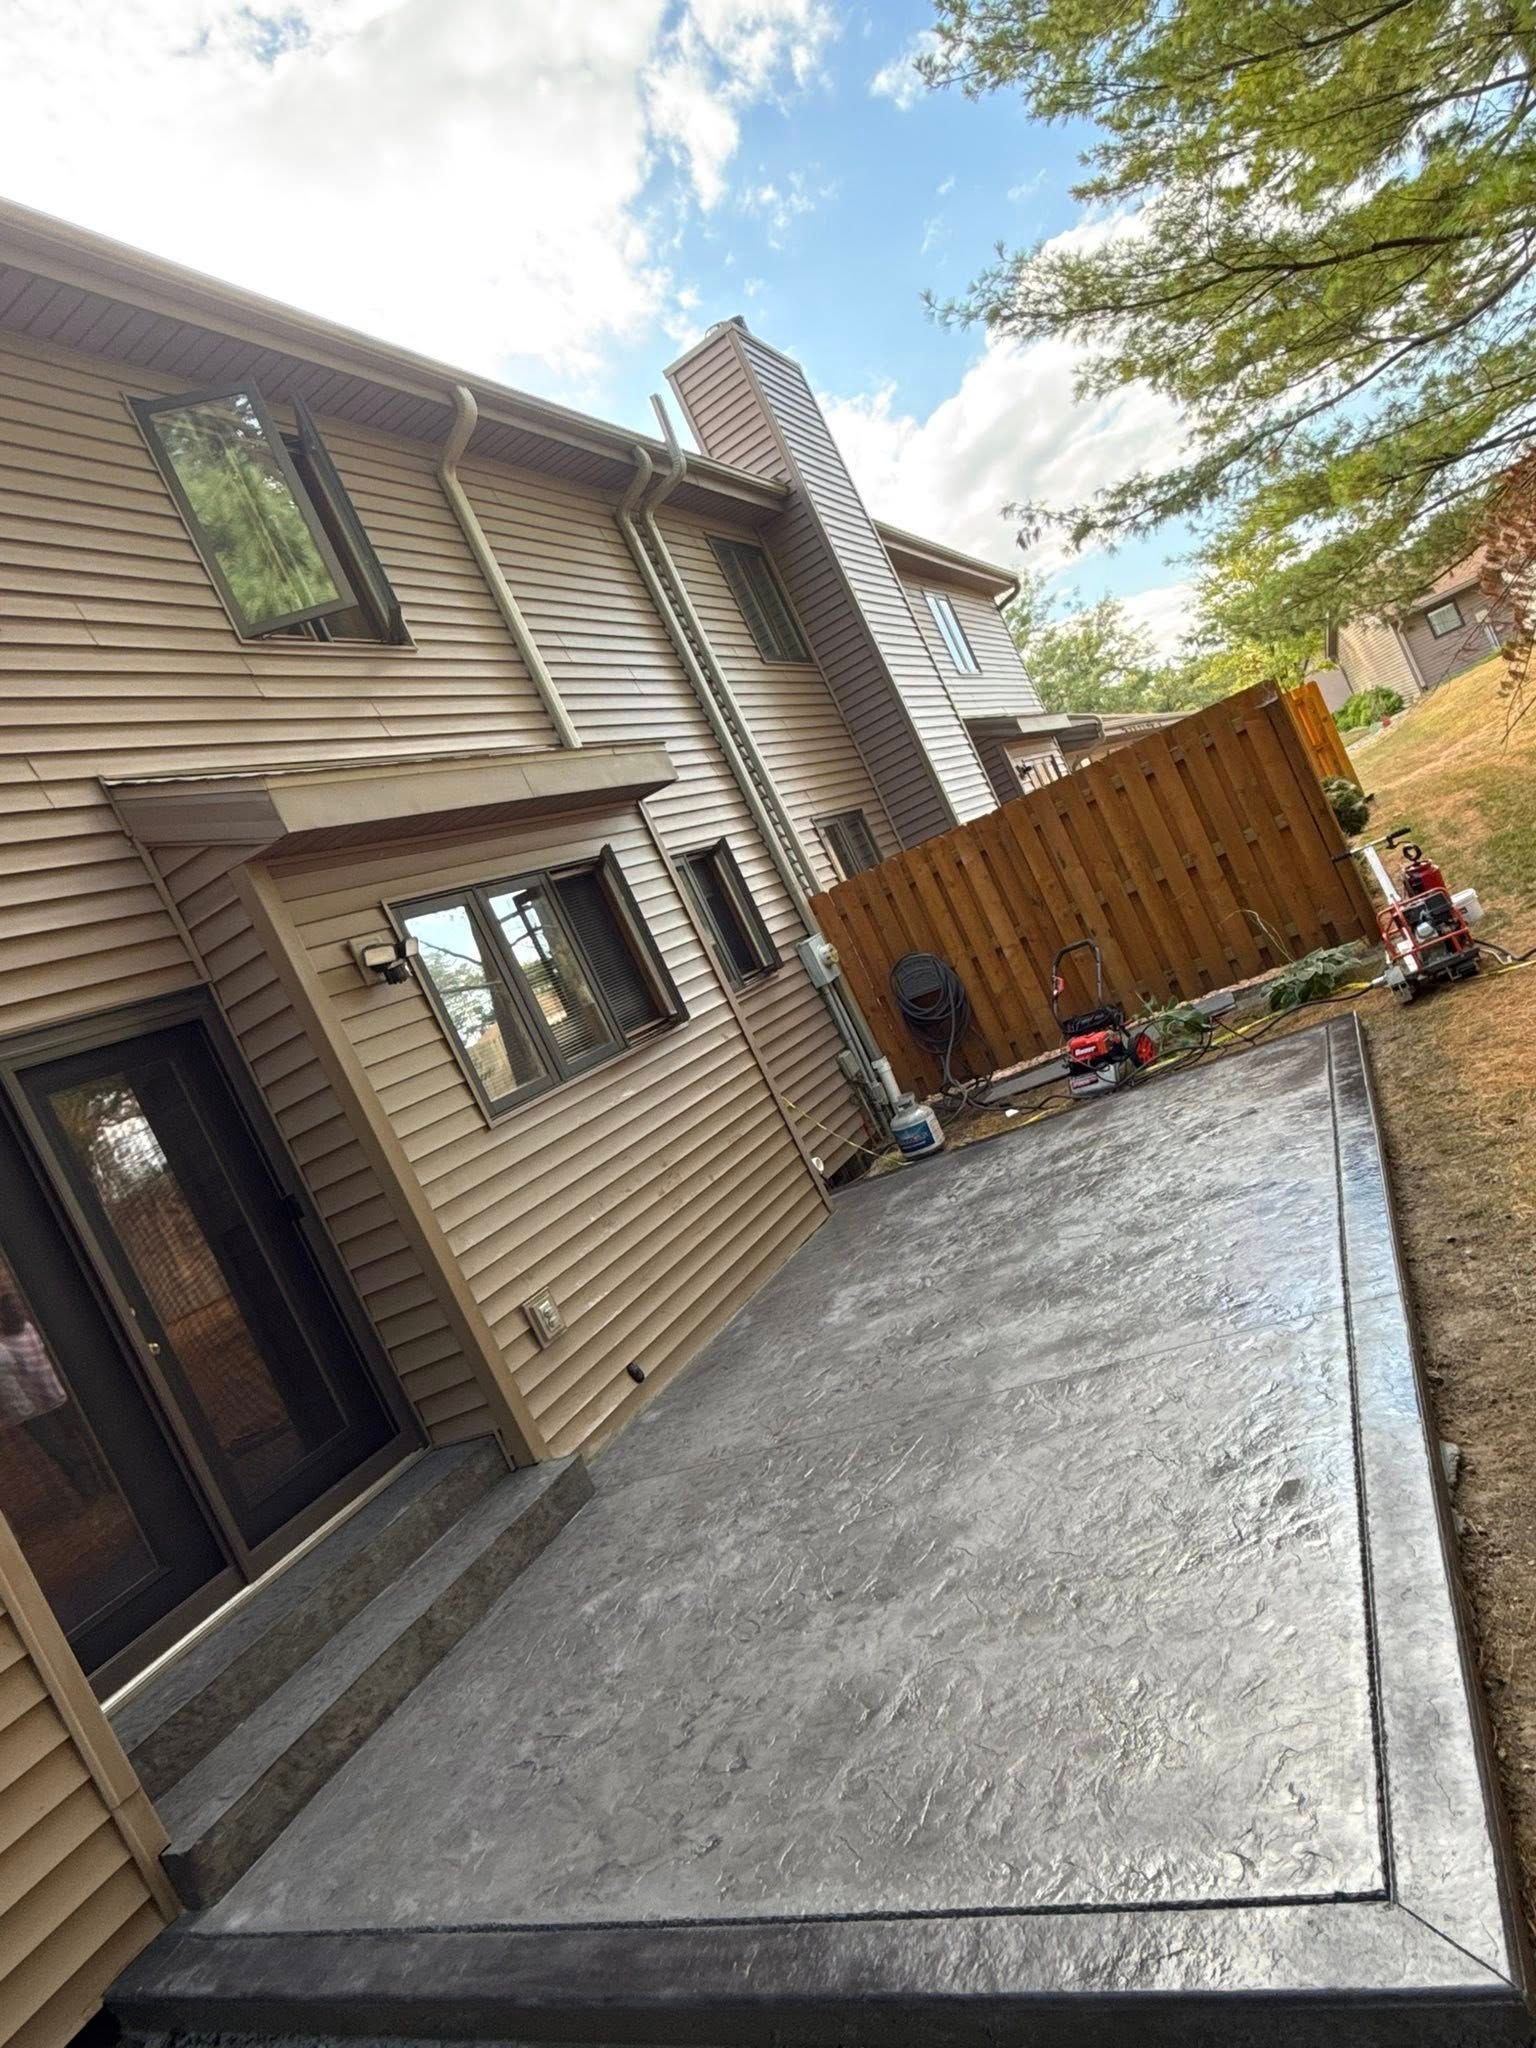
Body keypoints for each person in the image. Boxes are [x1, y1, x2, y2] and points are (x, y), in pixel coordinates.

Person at [0, 1290, 102, 1500]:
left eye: (20, 1308)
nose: (20, 1313)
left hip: (57, 1395)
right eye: (13, 1310)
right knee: (61, 1452)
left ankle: (103, 1484)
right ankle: (89, 1492)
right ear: (3, 1316)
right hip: (36, 1409)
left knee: (81, 1439)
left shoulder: (29, 1328)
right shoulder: (3, 1347)